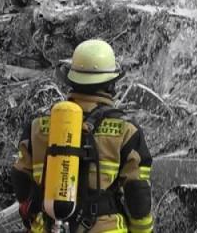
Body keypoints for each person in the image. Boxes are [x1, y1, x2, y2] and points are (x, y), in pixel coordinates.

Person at [12, 39, 154, 233]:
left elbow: (21, 181)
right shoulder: (125, 130)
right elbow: (138, 194)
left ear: (72, 81)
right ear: (110, 85)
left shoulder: (38, 126)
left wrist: (34, 222)